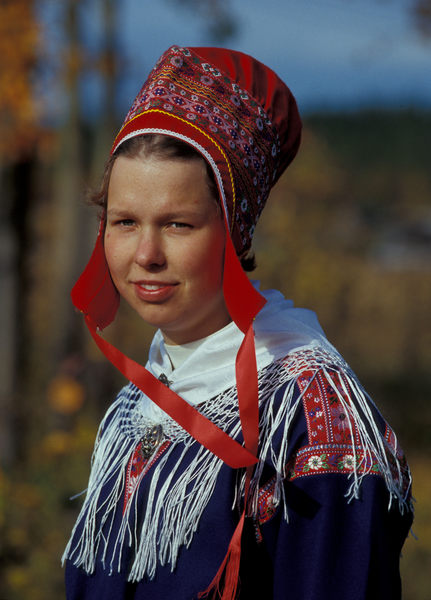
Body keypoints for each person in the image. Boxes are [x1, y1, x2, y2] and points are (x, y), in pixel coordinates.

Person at [63, 46, 413, 600]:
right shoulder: (132, 407)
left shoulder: (310, 414)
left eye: (178, 224)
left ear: (233, 234)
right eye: (125, 221)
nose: (146, 253)